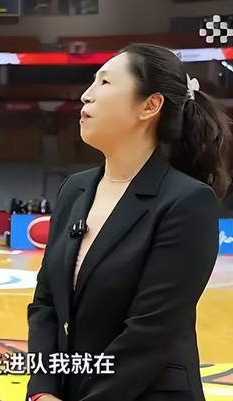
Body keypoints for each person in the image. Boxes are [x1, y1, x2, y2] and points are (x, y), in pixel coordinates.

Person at [26, 43, 231, 401]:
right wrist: (43, 390)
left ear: (150, 106)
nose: (86, 95)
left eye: (105, 83)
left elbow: (151, 333)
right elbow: (46, 304)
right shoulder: (74, 190)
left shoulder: (187, 202)